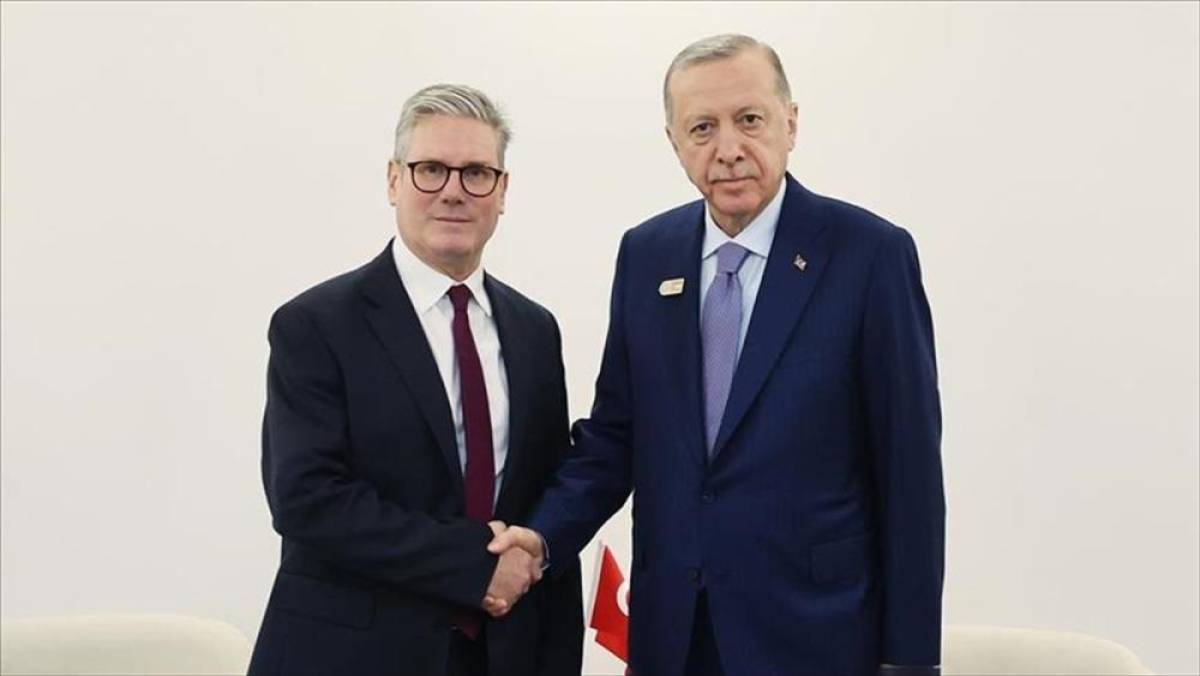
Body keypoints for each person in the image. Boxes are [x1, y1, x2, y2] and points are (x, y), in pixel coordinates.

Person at [489, 34, 944, 676]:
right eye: (702, 128)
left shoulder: (870, 255)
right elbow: (616, 437)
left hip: (817, 638)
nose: (728, 149)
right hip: (675, 636)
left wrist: (912, 662)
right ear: (674, 142)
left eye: (749, 119)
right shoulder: (647, 254)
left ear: (791, 123)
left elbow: (909, 472)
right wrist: (540, 538)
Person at [248, 84, 583, 676]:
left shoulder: (535, 330)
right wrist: (474, 565)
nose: (453, 191)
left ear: (502, 190)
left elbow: (540, 490)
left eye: (476, 173)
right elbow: (307, 499)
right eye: (431, 170)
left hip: (505, 653)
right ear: (393, 180)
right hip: (355, 656)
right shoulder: (316, 325)